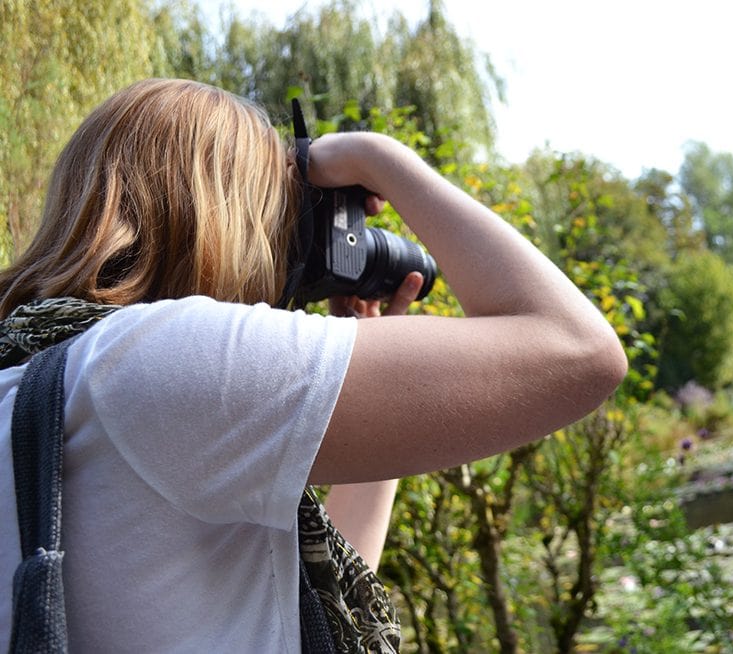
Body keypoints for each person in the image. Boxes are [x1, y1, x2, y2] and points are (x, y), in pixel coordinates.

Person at [0, 78, 626, 651]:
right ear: (233, 218)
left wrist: (376, 378)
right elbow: (578, 349)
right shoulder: (157, 359)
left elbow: (296, 604)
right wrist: (377, 158)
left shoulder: (42, 376)